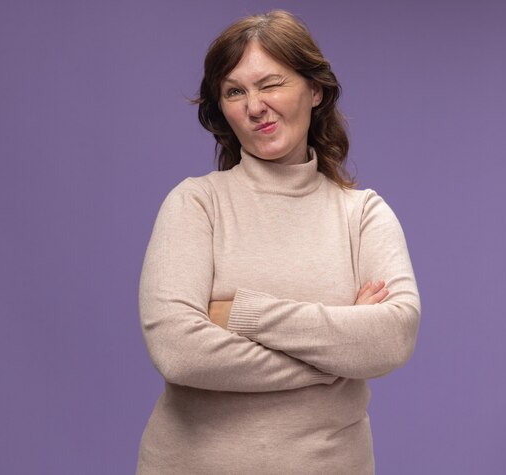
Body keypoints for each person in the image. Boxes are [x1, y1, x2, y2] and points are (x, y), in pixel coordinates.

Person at [136, 10, 420, 474]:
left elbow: (391, 338)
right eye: (235, 91)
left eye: (270, 84)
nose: (254, 106)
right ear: (222, 109)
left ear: (315, 90)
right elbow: (179, 352)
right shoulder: (195, 205)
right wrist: (338, 354)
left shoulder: (363, 213)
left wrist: (241, 313)